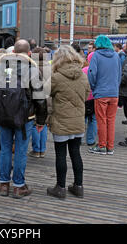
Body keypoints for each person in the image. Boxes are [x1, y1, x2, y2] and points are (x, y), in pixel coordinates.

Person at [0, 40, 48, 199]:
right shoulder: (32, 70)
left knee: (5, 148)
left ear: (13, 51)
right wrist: (41, 121)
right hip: (24, 117)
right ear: (29, 53)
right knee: (21, 151)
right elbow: (40, 98)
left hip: (3, 116)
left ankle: (4, 184)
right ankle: (18, 186)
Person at [46, 45, 90, 199]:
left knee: (60, 154)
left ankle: (61, 187)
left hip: (61, 120)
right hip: (78, 121)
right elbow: (86, 95)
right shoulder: (83, 75)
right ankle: (78, 186)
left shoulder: (56, 77)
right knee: (75, 153)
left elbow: (46, 95)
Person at [87, 35, 121, 155]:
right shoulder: (116, 56)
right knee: (111, 120)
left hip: (101, 92)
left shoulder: (96, 55)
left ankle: (102, 146)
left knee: (101, 120)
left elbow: (91, 73)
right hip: (114, 93)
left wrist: (93, 87)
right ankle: (110, 147)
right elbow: (119, 75)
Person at [28, 47, 48, 158]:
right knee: (43, 124)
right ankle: (42, 149)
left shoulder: (33, 68)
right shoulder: (50, 67)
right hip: (47, 98)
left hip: (36, 97)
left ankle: (36, 150)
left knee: (35, 124)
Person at [82, 52, 98, 146]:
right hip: (95, 98)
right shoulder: (99, 70)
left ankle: (78, 139)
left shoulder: (83, 70)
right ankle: (91, 140)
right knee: (93, 120)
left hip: (84, 98)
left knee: (82, 119)